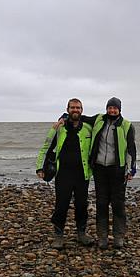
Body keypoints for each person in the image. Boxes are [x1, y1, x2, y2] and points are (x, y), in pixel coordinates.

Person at [36, 98, 94, 249]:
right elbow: (46, 146)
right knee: (61, 205)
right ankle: (58, 235)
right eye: (73, 107)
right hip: (63, 174)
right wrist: (39, 167)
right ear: (68, 109)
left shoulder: (88, 128)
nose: (75, 110)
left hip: (82, 174)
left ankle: (81, 233)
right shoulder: (59, 128)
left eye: (78, 108)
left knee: (82, 205)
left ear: (82, 110)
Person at [88, 97, 137, 250]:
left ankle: (118, 237)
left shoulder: (127, 125)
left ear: (119, 110)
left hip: (117, 170)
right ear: (106, 108)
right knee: (101, 204)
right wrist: (65, 116)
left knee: (118, 205)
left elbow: (131, 149)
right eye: (110, 108)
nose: (112, 110)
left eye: (115, 108)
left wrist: (131, 169)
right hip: (100, 168)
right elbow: (82, 118)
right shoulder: (98, 121)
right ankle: (102, 237)